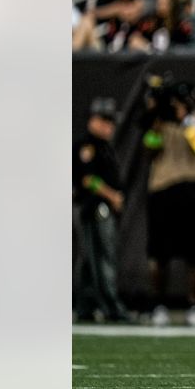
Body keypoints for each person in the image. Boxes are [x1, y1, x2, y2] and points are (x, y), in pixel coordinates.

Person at [143, 80, 195, 328]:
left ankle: (194, 304)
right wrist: (155, 116)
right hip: (163, 189)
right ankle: (158, 303)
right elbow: (150, 149)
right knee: (159, 252)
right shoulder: (159, 123)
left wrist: (187, 122)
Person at [74, 97, 130, 323]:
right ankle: (111, 306)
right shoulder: (86, 146)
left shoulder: (104, 146)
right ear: (93, 120)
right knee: (101, 258)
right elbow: (88, 180)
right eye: (105, 120)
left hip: (100, 207)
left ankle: (86, 306)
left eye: (111, 121)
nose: (110, 126)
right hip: (94, 207)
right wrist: (112, 196)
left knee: (90, 259)